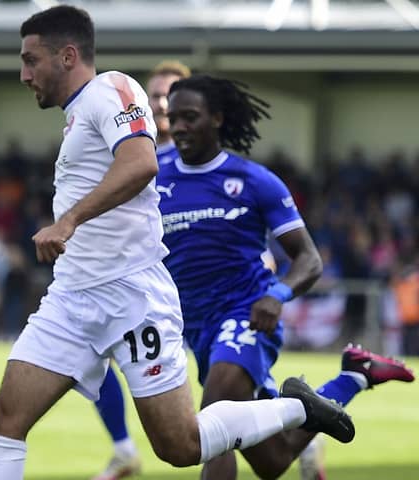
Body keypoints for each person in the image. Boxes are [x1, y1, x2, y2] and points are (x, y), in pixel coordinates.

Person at [0, 7, 356, 480]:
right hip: (73, 296)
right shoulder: (77, 114)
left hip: (130, 296)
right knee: (6, 419)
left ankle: (296, 410)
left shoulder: (111, 90)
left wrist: (68, 220)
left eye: (31, 60)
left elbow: (141, 164)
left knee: (180, 445)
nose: (23, 73)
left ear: (68, 55)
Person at [159, 73, 415, 480]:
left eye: (191, 116)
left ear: (219, 118)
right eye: (173, 117)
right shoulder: (152, 175)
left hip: (247, 312)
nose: (179, 127)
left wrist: (276, 294)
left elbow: (309, 259)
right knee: (273, 461)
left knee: (213, 420)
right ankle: (353, 377)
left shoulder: (254, 181)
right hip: (194, 325)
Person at [92, 59, 191, 480]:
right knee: (92, 358)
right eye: (154, 95)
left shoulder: (198, 161)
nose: (162, 103)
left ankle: (296, 422)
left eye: (172, 95)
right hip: (145, 289)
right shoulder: (130, 153)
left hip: (196, 291)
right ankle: (124, 449)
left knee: (231, 379)